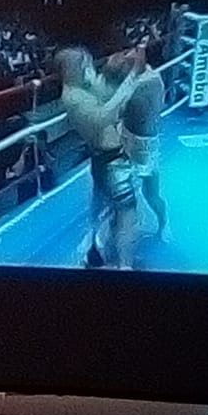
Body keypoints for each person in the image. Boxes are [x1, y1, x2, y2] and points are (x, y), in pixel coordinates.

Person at [55, 47, 144, 269]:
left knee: (106, 209)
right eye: (86, 64)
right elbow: (104, 117)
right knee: (127, 213)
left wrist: (115, 69)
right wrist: (132, 76)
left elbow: (106, 94)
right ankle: (125, 267)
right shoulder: (74, 97)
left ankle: (95, 252)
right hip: (111, 160)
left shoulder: (81, 88)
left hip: (104, 158)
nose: (90, 67)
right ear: (75, 69)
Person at [113, 37, 170, 243]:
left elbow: (120, 107)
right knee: (119, 188)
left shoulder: (148, 81)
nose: (129, 53)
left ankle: (164, 225)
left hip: (144, 144)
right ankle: (119, 229)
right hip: (126, 135)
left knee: (150, 193)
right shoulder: (136, 76)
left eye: (135, 50)